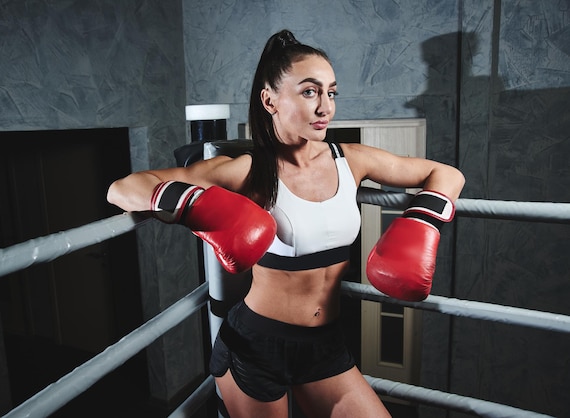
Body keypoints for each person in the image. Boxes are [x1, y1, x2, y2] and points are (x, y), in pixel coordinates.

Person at [107, 29, 465, 418]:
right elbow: (123, 188)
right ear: (270, 100)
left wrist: (423, 218)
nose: (325, 106)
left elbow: (446, 174)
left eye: (331, 92)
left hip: (326, 346)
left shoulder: (353, 160)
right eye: (310, 92)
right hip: (255, 346)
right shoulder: (248, 170)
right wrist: (194, 203)